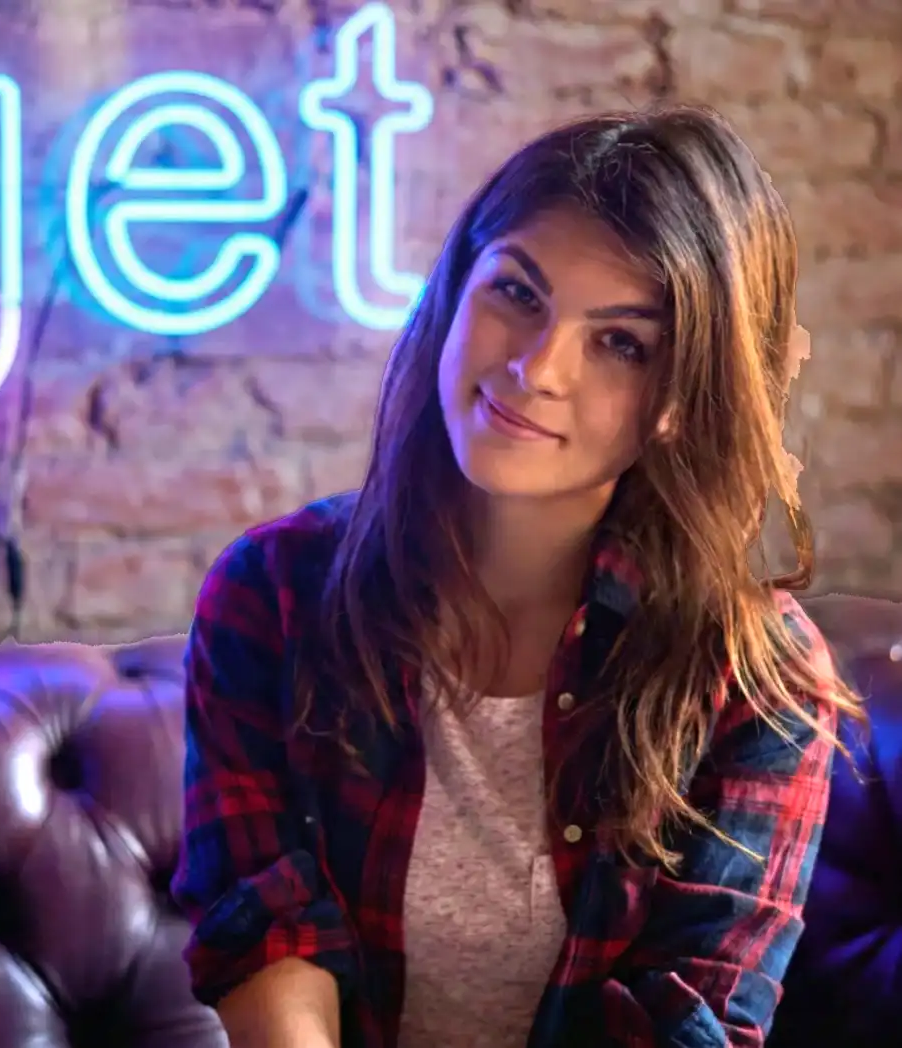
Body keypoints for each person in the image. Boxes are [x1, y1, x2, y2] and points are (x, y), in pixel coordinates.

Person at [170, 104, 865, 1048]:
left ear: (678, 400)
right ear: (456, 291)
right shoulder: (272, 591)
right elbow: (264, 929)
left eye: (620, 343)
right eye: (516, 293)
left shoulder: (759, 679)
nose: (537, 368)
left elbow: (692, 1017)